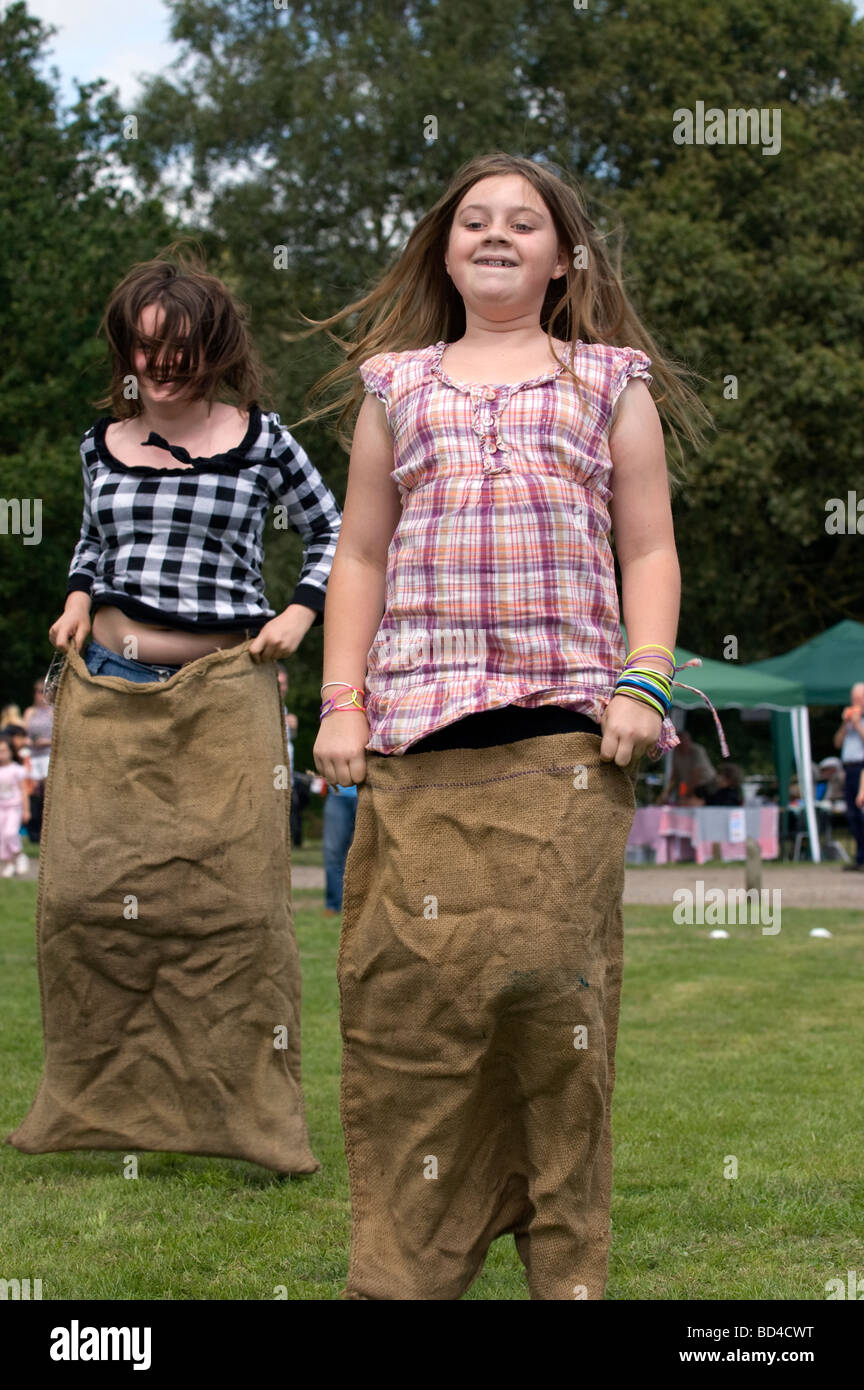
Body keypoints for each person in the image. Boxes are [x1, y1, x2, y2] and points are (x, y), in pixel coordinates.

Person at [306, 152, 725, 1299]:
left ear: (563, 253)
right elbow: (360, 555)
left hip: (566, 743)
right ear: (445, 248)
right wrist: (340, 700)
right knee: (416, 1017)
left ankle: (564, 1268)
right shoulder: (395, 387)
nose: (497, 234)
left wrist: (646, 681)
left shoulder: (607, 383)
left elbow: (648, 547)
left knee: (550, 1006)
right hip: (418, 741)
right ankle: (404, 1269)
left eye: (525, 221)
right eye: (475, 220)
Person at [10, 242, 341, 1173]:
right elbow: (91, 537)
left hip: (225, 695)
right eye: (144, 347)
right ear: (126, 349)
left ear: (214, 348)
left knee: (238, 911)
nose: (159, 365)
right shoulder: (98, 444)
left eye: (179, 347)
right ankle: (83, 1109)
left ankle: (257, 1128)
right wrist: (78, 598)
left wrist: (302, 609)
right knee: (81, 898)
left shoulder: (264, 438)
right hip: (109, 694)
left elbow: (336, 527)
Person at [833, 683, 864, 871]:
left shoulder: (859, 721)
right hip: (850, 769)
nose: (855, 702)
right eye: (853, 699)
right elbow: (837, 743)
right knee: (852, 814)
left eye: (859, 699)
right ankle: (860, 857)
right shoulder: (849, 720)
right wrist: (846, 724)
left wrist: (858, 724)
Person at [22, 679, 53, 843]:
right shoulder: (29, 712)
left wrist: (45, 742)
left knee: (47, 794)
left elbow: (59, 736)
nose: (39, 694)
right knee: (32, 793)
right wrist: (30, 741)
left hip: (48, 754)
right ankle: (34, 832)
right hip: (33, 756)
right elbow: (23, 734)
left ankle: (47, 831)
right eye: (37, 691)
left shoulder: (53, 711)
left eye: (42, 691)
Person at [321, 782, 358, 915]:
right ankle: (333, 905)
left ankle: (368, 905)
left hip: (371, 790)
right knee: (332, 853)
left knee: (373, 854)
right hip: (337, 794)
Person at [657, 728, 718, 803]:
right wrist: (666, 794)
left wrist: (684, 795)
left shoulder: (697, 751)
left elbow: (696, 776)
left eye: (684, 741)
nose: (682, 745)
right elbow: (675, 776)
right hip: (688, 784)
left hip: (706, 784)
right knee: (683, 801)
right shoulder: (676, 753)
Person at [0, 735, 30, 878]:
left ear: (10, 751)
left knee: (10, 833)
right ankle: (10, 863)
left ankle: (20, 855)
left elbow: (24, 791)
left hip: (14, 807)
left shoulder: (16, 770)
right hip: (1, 807)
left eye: (4, 751)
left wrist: (26, 810)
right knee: (2, 836)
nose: (2, 754)